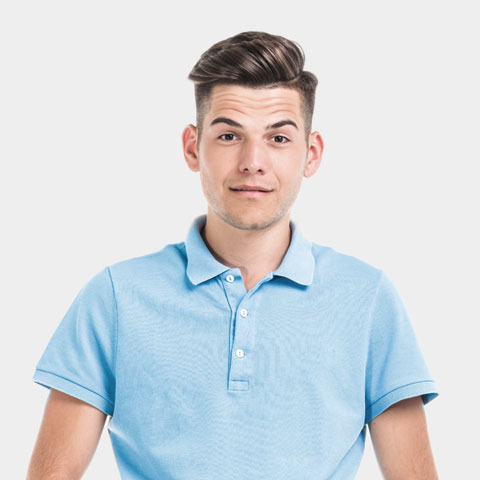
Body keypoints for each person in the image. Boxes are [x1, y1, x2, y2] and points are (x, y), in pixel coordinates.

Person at [27, 31, 439, 479]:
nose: (252, 161)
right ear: (192, 147)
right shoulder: (115, 297)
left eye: (278, 138)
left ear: (312, 153)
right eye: (228, 135)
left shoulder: (367, 297)